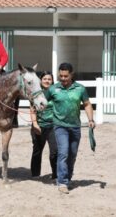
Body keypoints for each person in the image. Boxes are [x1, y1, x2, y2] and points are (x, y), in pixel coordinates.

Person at [44, 62, 95, 194]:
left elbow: (87, 104)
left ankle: (68, 177)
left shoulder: (80, 89)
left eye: (66, 76)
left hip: (75, 126)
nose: (63, 79)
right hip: (60, 126)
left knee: (72, 155)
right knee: (63, 153)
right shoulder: (53, 89)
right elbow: (42, 102)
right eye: (61, 76)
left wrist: (90, 120)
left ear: (71, 75)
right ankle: (62, 182)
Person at [30, 71, 57, 179]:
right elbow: (32, 110)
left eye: (49, 79)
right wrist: (35, 124)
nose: (47, 81)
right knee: (37, 150)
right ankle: (35, 174)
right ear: (41, 80)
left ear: (52, 80)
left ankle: (56, 174)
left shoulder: (56, 92)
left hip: (53, 126)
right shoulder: (36, 93)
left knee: (55, 151)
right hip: (39, 126)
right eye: (45, 79)